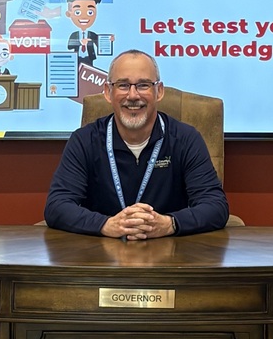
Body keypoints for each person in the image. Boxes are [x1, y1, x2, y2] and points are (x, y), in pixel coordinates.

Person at [44, 49, 229, 238]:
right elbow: (57, 206)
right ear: (108, 92)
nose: (132, 95)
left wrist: (169, 224)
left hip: (172, 255)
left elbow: (215, 206)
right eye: (123, 85)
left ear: (159, 91)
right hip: (100, 256)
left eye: (143, 85)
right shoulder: (84, 141)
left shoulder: (186, 139)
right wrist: (106, 225)